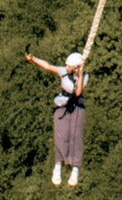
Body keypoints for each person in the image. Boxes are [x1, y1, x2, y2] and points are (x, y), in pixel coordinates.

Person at [26, 46, 89, 187]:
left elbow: (78, 93)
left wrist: (79, 75)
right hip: (63, 105)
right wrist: (33, 59)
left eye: (69, 66)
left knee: (75, 136)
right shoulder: (63, 72)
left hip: (77, 107)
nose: (66, 68)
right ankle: (58, 166)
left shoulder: (84, 76)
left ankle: (75, 169)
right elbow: (48, 66)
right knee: (61, 136)